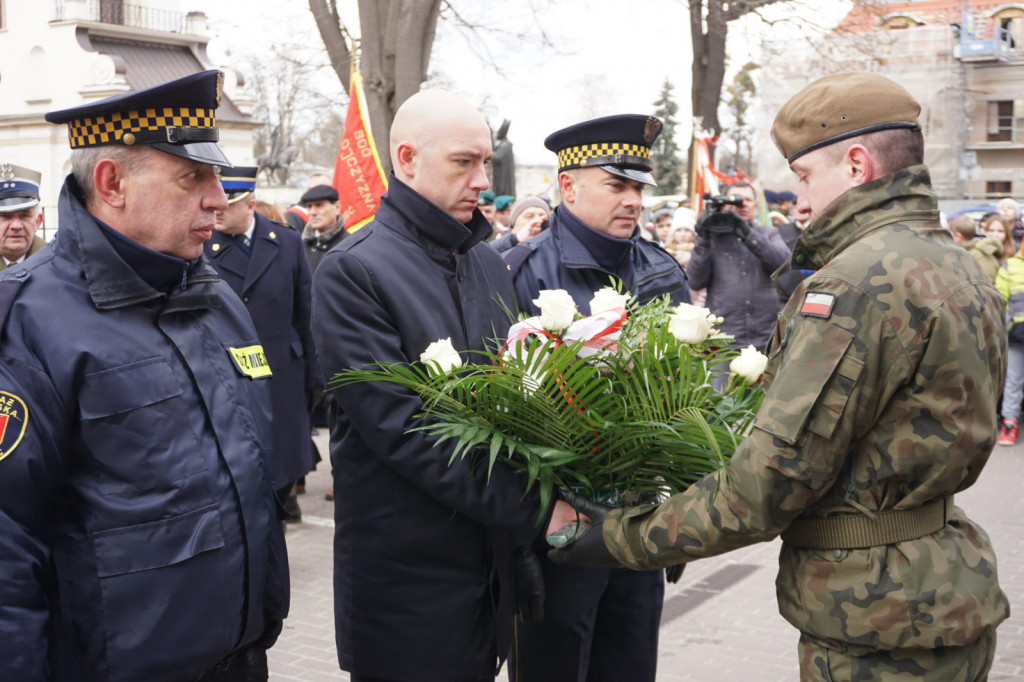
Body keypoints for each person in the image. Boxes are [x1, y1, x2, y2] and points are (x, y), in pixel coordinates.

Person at [551, 72, 1009, 681]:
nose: (802, 203)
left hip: (873, 613)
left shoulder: (855, 285)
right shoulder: (958, 264)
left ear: (854, 165)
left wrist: (615, 538)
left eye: (803, 177)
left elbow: (768, 483)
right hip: (941, 586)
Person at [0, 70, 289, 680]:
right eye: (194, 176)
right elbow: (7, 541)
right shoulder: (27, 319)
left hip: (239, 657)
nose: (219, 197)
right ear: (112, 183)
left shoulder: (216, 298)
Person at [310, 89, 576, 682]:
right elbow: (407, 432)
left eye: (485, 161)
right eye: (464, 162)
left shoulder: (482, 261)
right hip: (409, 583)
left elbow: (515, 399)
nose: (482, 178)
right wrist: (538, 509)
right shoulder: (354, 271)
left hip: (489, 569)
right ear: (406, 159)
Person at [504, 114, 691, 682]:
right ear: (568, 187)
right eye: (617, 185)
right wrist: (524, 529)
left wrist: (682, 498)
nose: (633, 200)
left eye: (639, 187)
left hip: (640, 523)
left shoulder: (662, 271)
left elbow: (685, 397)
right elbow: (497, 416)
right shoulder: (519, 272)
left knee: (630, 664)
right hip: (560, 531)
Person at [206, 164, 320, 523]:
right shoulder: (202, 246)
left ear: (250, 204)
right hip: (230, 375)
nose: (217, 212)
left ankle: (282, 508)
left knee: (285, 457)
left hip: (284, 371)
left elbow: (307, 312)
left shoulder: (285, 241)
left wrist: (317, 377)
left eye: (227, 205)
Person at [687, 180, 791, 355]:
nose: (743, 204)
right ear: (725, 204)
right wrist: (703, 238)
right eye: (736, 199)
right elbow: (695, 281)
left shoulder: (767, 233)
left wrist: (748, 234)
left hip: (765, 335)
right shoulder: (712, 239)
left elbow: (784, 264)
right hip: (723, 338)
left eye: (748, 200)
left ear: (756, 205)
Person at [0, 164, 46, 270]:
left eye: (24, 216)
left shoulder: (60, 265)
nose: (16, 226)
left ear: (37, 222)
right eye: (5, 216)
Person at [773, 202, 814, 303]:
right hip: (786, 293)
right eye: (796, 206)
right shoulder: (780, 231)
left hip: (814, 291)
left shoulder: (820, 230)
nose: (799, 209)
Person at [301, 184, 348, 272]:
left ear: (337, 207)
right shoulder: (301, 245)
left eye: (319, 205)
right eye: (309, 206)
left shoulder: (349, 244)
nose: (313, 212)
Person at [949, 213, 1002, 282]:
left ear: (958, 236)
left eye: (950, 234)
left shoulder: (981, 255)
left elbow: (986, 286)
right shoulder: (966, 252)